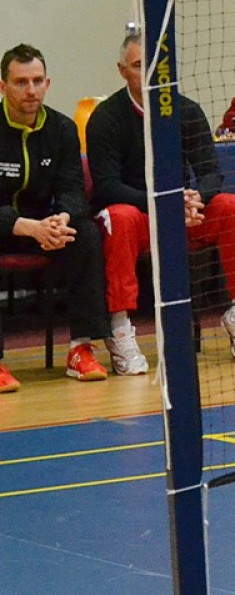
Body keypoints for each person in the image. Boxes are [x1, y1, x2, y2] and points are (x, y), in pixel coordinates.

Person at [87, 34, 235, 367]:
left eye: (157, 65)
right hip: (139, 215)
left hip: (183, 213)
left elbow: (210, 171)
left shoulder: (187, 110)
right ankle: (119, 328)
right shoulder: (106, 117)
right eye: (139, 65)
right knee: (118, 217)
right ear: (122, 71)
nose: (150, 73)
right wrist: (163, 204)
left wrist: (198, 198)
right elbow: (107, 186)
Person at [0, 44, 111, 392]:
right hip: (8, 228)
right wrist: (26, 227)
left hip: (45, 228)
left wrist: (61, 219)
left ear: (47, 83)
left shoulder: (62, 128)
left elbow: (72, 189)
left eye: (37, 81)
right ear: (3, 86)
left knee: (85, 234)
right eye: (21, 82)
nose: (31, 90)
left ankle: (81, 348)